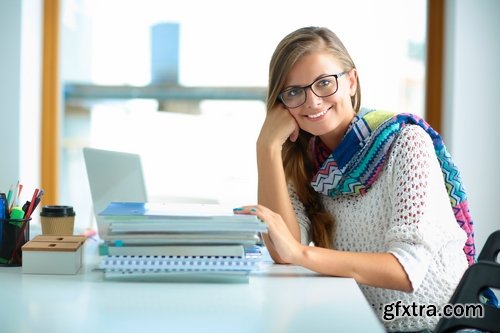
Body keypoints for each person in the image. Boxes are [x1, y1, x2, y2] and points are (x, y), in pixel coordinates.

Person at [233, 26, 475, 332]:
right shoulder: (307, 159)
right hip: (363, 319)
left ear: (351, 81)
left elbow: (406, 270)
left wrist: (303, 254)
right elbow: (284, 251)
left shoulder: (405, 143)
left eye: (323, 83)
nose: (312, 102)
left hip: (436, 323)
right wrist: (266, 147)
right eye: (294, 92)